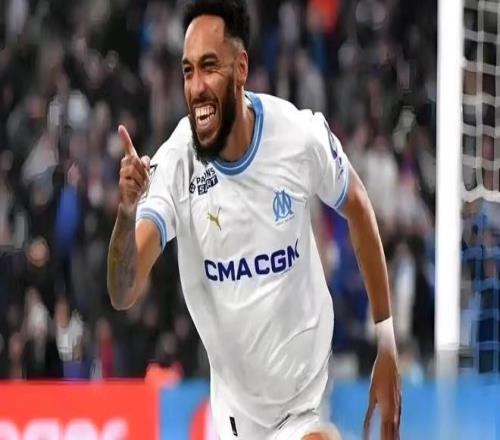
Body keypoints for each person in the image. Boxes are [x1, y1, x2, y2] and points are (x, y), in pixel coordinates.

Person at [107, 0, 401, 438]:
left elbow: (357, 205)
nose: (196, 86)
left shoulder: (298, 138)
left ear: (241, 68)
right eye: (188, 71)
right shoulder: (176, 165)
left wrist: (387, 341)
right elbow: (123, 291)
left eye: (210, 67)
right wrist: (126, 212)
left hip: (306, 402)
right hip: (234, 418)